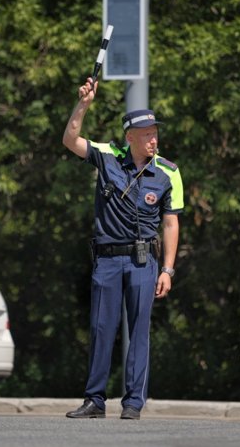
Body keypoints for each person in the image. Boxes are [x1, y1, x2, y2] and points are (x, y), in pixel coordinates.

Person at [62, 77, 184, 420]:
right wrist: (83, 103)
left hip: (144, 262)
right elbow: (70, 139)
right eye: (146, 134)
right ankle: (94, 401)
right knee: (102, 328)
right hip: (107, 260)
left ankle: (133, 403)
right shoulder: (107, 156)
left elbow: (171, 224)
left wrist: (168, 270)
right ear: (130, 137)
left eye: (155, 133)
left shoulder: (168, 173)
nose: (154, 139)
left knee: (139, 331)